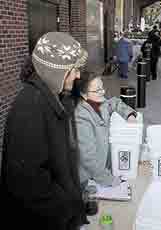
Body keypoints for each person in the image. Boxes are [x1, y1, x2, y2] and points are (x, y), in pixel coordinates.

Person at [1, 32, 88, 230]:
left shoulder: (56, 98)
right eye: (73, 69)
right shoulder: (30, 107)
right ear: (56, 72)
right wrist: (67, 207)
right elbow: (28, 184)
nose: (78, 75)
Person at [74, 72, 137, 188]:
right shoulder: (81, 117)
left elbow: (114, 102)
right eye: (97, 90)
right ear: (84, 94)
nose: (102, 92)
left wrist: (129, 114)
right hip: (91, 179)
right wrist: (109, 180)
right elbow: (88, 158)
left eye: (102, 87)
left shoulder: (99, 103)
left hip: (105, 168)